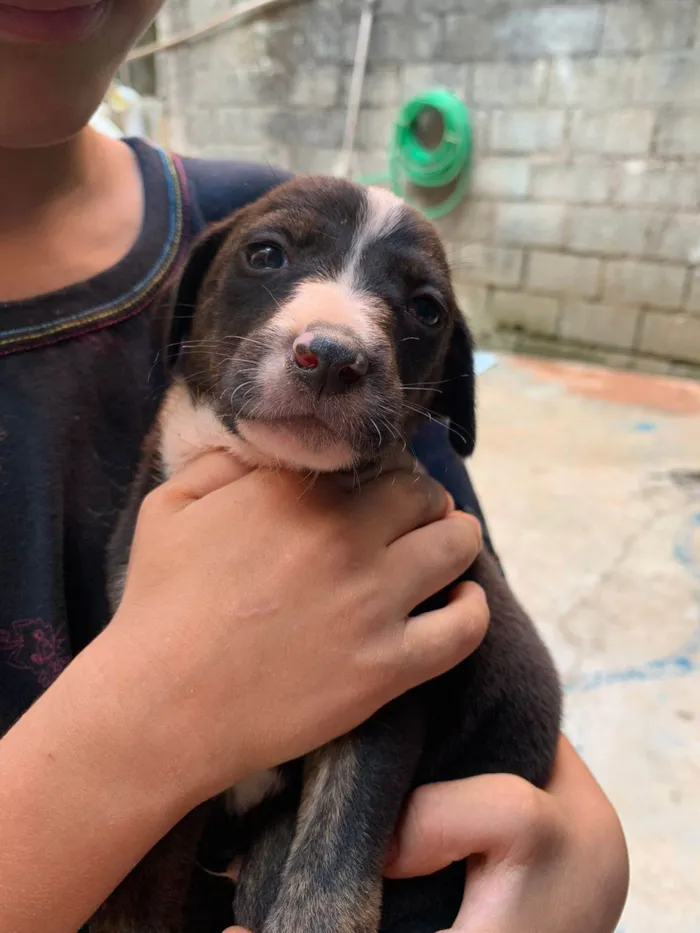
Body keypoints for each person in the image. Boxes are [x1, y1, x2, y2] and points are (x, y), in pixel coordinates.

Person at [0, 3, 629, 932]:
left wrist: (579, 863)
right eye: (269, 259)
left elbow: (532, 773)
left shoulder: (241, 205)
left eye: (412, 314)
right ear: (197, 304)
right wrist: (139, 724)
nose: (337, 341)